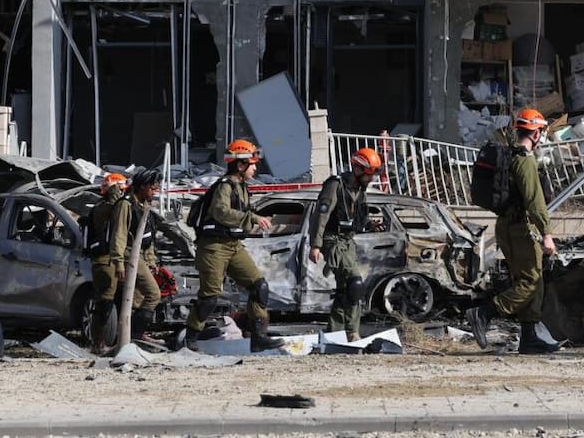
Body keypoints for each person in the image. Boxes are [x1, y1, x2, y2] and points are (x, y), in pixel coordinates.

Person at [465, 109, 561, 354]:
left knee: (531, 281)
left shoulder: (509, 156)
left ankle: (529, 339)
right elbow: (535, 201)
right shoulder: (525, 160)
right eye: (541, 132)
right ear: (537, 133)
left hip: (507, 226)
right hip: (521, 228)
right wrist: (547, 234)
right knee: (531, 281)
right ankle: (484, 313)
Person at [185, 139, 285, 352]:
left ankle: (258, 338)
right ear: (240, 165)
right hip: (214, 247)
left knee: (260, 287)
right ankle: (190, 339)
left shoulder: (242, 187)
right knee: (210, 297)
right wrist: (253, 218)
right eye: (252, 163)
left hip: (233, 246)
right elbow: (220, 212)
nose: (256, 168)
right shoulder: (225, 186)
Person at [308, 146, 382, 341]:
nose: (372, 178)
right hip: (332, 240)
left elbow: (356, 218)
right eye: (369, 174)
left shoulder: (360, 190)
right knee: (354, 282)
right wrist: (315, 245)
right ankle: (352, 332)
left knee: (345, 289)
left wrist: (369, 225)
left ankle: (334, 333)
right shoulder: (335, 185)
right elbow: (321, 215)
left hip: (348, 241)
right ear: (358, 170)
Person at [108, 168, 164, 344]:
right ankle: (136, 335)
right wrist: (119, 263)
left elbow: (148, 237)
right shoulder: (126, 205)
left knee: (137, 299)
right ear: (142, 187)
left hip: (140, 256)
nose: (155, 192)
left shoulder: (144, 206)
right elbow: (119, 235)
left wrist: (151, 260)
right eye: (152, 188)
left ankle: (130, 335)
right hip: (128, 256)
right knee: (153, 294)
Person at [85, 172, 129, 351]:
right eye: (120, 189)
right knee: (105, 302)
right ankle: (98, 342)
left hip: (115, 258)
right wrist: (114, 191)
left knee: (118, 301)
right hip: (104, 260)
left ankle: (118, 339)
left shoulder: (118, 204)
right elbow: (113, 208)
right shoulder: (102, 207)